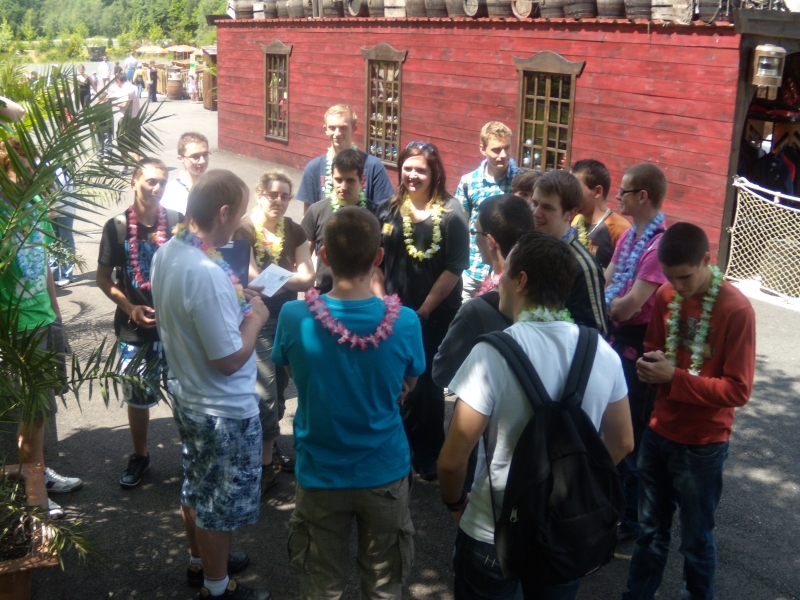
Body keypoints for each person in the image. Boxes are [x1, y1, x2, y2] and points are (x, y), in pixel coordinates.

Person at [438, 231, 633, 600]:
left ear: (522, 281)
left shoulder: (492, 354)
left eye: (505, 272)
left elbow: (452, 461)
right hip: (564, 530)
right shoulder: (602, 352)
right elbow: (622, 441)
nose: (499, 280)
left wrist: (455, 504)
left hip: (492, 530)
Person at [273, 206, 425, 600]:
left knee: (321, 586)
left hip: (320, 473)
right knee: (383, 587)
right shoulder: (405, 321)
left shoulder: (294, 316)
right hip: (384, 472)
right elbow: (409, 382)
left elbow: (290, 369)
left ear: (323, 255)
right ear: (378, 257)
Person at [151, 170, 272, 599]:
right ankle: (218, 588)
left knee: (197, 484)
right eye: (239, 214)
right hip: (221, 407)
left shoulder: (170, 251)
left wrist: (236, 305)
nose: (240, 223)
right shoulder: (205, 272)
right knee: (218, 504)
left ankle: (202, 561)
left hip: (189, 394)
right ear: (223, 212)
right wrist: (256, 319)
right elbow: (229, 360)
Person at [622, 222, 756, 600]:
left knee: (696, 542)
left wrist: (674, 377)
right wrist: (650, 368)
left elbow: (738, 389)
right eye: (669, 277)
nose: (676, 286)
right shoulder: (667, 295)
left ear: (706, 260)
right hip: (659, 432)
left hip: (702, 444)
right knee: (650, 533)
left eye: (684, 277)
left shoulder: (737, 309)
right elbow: (653, 347)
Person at [372, 141, 470, 481]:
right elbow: (375, 262)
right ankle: (395, 449)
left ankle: (428, 454)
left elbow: (454, 268)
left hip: (433, 314)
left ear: (435, 173)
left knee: (426, 385)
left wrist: (423, 311)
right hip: (391, 312)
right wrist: (384, 304)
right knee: (392, 379)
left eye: (421, 170)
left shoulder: (452, 213)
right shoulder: (387, 209)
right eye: (408, 168)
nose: (412, 175)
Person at [0, 139, 82, 520]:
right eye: (22, 168)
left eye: (32, 167)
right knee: (31, 411)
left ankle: (40, 473)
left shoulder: (36, 206)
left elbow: (46, 265)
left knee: (43, 407)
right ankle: (32, 494)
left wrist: (56, 313)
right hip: (17, 326)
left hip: (45, 319)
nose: (31, 174)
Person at [96, 158, 182, 488]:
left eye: (162, 182)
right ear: (134, 182)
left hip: (175, 328)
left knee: (184, 393)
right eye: (150, 181)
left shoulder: (177, 221)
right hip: (134, 329)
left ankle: (192, 452)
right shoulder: (117, 227)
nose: (157, 188)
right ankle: (140, 455)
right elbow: (103, 278)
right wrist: (129, 307)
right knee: (137, 395)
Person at [234, 171, 314, 494]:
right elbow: (254, 280)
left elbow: (309, 278)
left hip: (289, 317)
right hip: (259, 318)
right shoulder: (244, 229)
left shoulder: (294, 229)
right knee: (265, 391)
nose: (279, 201)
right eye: (272, 194)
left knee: (280, 389)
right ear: (260, 194)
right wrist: (290, 275)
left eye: (285, 196)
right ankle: (264, 465)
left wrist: (275, 276)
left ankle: (269, 447)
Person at [604, 162, 669, 541]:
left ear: (643, 197)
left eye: (624, 191)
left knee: (632, 437)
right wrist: (609, 303)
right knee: (611, 427)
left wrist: (609, 306)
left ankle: (631, 518)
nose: (618, 196)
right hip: (615, 346)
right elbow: (607, 281)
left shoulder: (658, 246)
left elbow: (629, 307)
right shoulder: (629, 237)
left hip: (637, 355)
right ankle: (614, 505)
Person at [432, 193, 534, 390]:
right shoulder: (541, 291)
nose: (474, 238)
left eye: (475, 232)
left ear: (490, 242)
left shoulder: (475, 311)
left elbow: (441, 373)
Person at [531, 170, 608, 337]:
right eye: (534, 203)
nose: (536, 213)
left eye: (547, 208)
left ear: (571, 214)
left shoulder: (584, 267)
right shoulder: (526, 249)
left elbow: (596, 332)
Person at [455, 121, 521, 298]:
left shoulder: (520, 182)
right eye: (496, 150)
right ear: (483, 149)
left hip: (507, 273)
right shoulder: (469, 182)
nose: (503, 155)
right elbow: (460, 226)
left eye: (507, 148)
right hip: (474, 270)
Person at [302, 148, 382, 294]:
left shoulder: (376, 214)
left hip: (363, 295)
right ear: (331, 177)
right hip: (323, 295)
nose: (343, 187)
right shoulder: (316, 211)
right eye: (338, 180)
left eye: (350, 180)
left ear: (362, 180)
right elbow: (303, 255)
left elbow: (381, 263)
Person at [296, 104, 394, 214]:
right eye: (332, 128)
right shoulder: (313, 168)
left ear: (354, 129)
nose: (337, 133)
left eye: (343, 128)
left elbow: (386, 213)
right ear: (325, 129)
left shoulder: (373, 166)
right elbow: (308, 215)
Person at [571, 159, 631, 270]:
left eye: (576, 189)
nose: (571, 194)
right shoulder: (575, 221)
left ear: (597, 191)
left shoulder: (620, 229)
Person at [160, 132, 210, 215]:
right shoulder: (172, 192)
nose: (202, 161)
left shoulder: (215, 186)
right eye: (195, 156)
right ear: (180, 158)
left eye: (205, 154)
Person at [107, 73, 142, 164]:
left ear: (119, 81)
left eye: (116, 82)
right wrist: (113, 96)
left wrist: (113, 103)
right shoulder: (133, 87)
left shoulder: (125, 90)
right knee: (135, 144)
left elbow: (124, 105)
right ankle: (138, 166)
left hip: (125, 119)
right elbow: (124, 95)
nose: (116, 84)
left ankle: (126, 166)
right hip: (135, 117)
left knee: (122, 143)